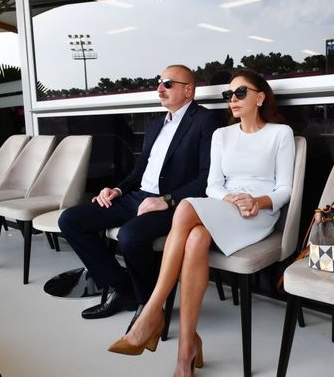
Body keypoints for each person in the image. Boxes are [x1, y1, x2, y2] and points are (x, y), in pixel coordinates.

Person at [107, 69, 295, 377]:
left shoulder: (280, 134)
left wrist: (256, 201)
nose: (233, 99)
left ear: (260, 97)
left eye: (241, 93)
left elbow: (285, 189)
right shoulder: (222, 135)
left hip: (257, 214)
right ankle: (186, 351)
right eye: (229, 94)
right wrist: (230, 199)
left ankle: (152, 312)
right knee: (195, 238)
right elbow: (213, 185)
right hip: (225, 206)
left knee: (184, 208)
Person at [58, 65, 219, 324]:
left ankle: (149, 306)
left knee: (130, 236)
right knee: (70, 220)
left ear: (189, 90)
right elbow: (139, 170)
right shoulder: (155, 124)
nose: (160, 89)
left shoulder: (204, 120)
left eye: (168, 83)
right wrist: (117, 189)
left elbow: (206, 177)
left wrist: (166, 200)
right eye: (159, 82)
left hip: (176, 204)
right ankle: (125, 290)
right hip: (139, 196)